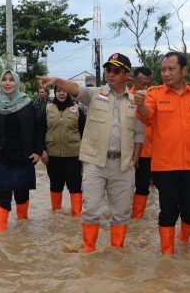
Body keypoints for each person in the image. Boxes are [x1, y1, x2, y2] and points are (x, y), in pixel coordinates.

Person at [38, 52, 144, 252]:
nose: (110, 74)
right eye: (108, 69)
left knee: (121, 213)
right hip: (95, 163)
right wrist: (58, 80)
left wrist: (135, 160)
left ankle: (117, 252)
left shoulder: (134, 101)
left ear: (126, 75)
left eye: (116, 70)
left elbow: (139, 135)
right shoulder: (95, 94)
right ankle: (89, 251)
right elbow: (76, 89)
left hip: (123, 165)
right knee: (91, 210)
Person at [134, 52, 190, 255]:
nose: (166, 73)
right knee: (168, 212)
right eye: (163, 69)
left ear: (184, 71)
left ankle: (183, 239)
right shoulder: (154, 93)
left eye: (171, 69)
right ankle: (167, 254)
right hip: (164, 165)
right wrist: (140, 104)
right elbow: (147, 116)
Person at [0, 70, 43, 232]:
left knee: (22, 195)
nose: (7, 83)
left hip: (24, 156)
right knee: (2, 197)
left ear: (17, 83)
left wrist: (38, 151)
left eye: (11, 80)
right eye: (4, 80)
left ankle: (22, 228)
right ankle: (2, 233)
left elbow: (38, 130)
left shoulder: (27, 103)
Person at [42, 86, 86, 216]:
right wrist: (42, 150)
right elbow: (41, 130)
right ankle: (56, 214)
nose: (61, 93)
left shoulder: (77, 109)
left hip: (73, 155)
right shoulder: (47, 108)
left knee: (75, 185)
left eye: (64, 91)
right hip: (52, 155)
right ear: (54, 92)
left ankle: (77, 215)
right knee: (55, 184)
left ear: (68, 92)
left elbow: (84, 132)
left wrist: (85, 153)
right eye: (58, 91)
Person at [130, 66, 154, 219]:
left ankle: (137, 217)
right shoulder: (125, 96)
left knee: (143, 186)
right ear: (134, 81)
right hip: (127, 150)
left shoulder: (155, 96)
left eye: (148, 83)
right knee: (122, 186)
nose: (145, 87)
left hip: (149, 151)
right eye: (142, 83)